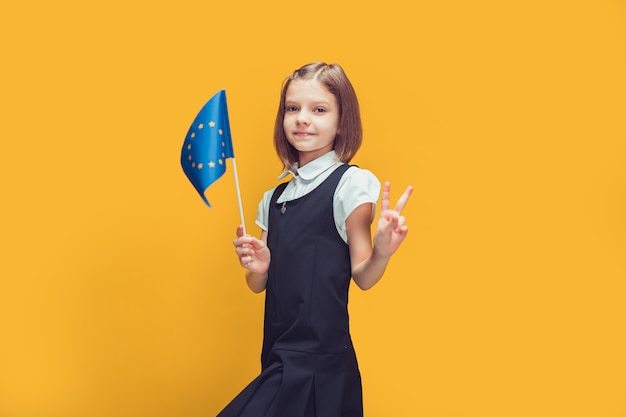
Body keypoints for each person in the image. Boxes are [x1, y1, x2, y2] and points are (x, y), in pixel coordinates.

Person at [217, 62, 412, 417]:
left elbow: (363, 276)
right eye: (293, 108)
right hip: (277, 356)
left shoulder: (350, 185)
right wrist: (260, 267)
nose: (302, 119)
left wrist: (382, 252)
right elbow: (256, 285)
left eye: (318, 109)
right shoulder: (272, 199)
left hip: (322, 366)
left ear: (342, 122)